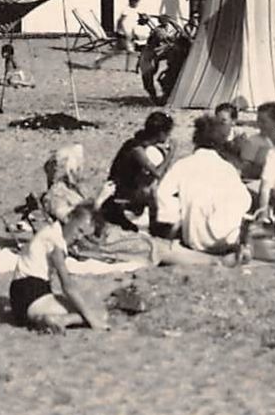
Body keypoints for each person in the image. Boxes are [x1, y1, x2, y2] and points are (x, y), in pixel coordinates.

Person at [152, 115, 252, 259]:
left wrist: (175, 218)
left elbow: (162, 193)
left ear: (195, 140)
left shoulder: (183, 165)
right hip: (225, 240)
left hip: (194, 240)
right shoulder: (227, 169)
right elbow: (244, 201)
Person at [9, 203, 109, 333]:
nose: (79, 237)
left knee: (86, 309)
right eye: (79, 230)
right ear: (68, 218)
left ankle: (44, 319)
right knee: (97, 313)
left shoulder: (52, 231)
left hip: (21, 294)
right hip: (31, 292)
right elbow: (67, 287)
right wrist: (92, 319)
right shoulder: (56, 242)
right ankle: (60, 320)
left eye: (83, 235)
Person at [103, 112, 174, 230]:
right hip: (120, 195)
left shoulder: (140, 143)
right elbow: (157, 173)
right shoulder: (136, 149)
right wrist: (171, 153)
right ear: (161, 133)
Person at [233, 102, 275, 183]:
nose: (259, 124)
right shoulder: (252, 141)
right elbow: (245, 172)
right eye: (258, 121)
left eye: (263, 121)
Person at [111, 0, 149, 72]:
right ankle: (129, 68)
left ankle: (127, 68)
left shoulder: (133, 11)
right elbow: (120, 21)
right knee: (130, 51)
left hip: (128, 33)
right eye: (136, 3)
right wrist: (122, 31)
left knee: (118, 52)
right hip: (123, 33)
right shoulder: (126, 10)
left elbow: (131, 23)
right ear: (132, 2)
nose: (137, 4)